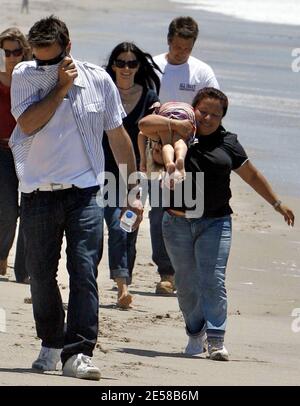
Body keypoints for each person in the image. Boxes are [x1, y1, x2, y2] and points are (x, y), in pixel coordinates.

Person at [9, 16, 143, 380]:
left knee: (84, 270)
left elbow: (118, 138)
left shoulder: (99, 80)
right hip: (37, 193)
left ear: (69, 48)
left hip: (85, 193)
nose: (45, 66)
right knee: (39, 275)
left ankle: (79, 351)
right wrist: (59, 86)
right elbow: (28, 123)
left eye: (52, 60)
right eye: (40, 59)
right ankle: (51, 341)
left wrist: (134, 191)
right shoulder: (25, 75)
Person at [139, 87, 295, 361]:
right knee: (186, 284)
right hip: (176, 222)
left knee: (213, 280)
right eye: (204, 111)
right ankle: (194, 333)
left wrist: (276, 203)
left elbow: (252, 175)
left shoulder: (228, 143)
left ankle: (216, 339)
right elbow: (143, 125)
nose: (209, 118)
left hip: (216, 223)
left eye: (216, 114)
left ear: (223, 117)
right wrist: (177, 124)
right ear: (193, 108)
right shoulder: (177, 132)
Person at [149, 16, 220, 295]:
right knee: (159, 210)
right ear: (169, 41)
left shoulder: (202, 71)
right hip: (157, 143)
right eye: (177, 47)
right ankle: (166, 272)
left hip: (193, 148)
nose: (181, 53)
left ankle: (187, 271)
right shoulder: (154, 66)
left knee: (190, 210)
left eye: (187, 49)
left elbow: (215, 108)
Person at [103, 42, 160, 309]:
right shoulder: (103, 90)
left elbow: (153, 137)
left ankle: (124, 281)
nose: (126, 68)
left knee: (128, 228)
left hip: (136, 176)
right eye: (121, 63)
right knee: (107, 228)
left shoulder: (149, 97)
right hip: (101, 172)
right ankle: (119, 286)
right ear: (113, 65)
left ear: (139, 66)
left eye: (132, 63)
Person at [0, 27, 31, 282]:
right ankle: (2, 255)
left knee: (31, 208)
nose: (11, 57)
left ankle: (25, 268)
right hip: (1, 151)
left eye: (16, 51)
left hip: (30, 150)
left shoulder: (31, 79)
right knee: (8, 210)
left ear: (24, 52)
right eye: (6, 52)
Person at [138, 101, 196, 189]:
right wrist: (143, 159)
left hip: (185, 112)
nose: (160, 148)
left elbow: (142, 132)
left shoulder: (156, 137)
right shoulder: (155, 136)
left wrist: (143, 159)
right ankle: (178, 160)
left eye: (157, 151)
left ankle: (176, 160)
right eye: (162, 153)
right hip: (179, 112)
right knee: (176, 142)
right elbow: (141, 133)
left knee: (174, 142)